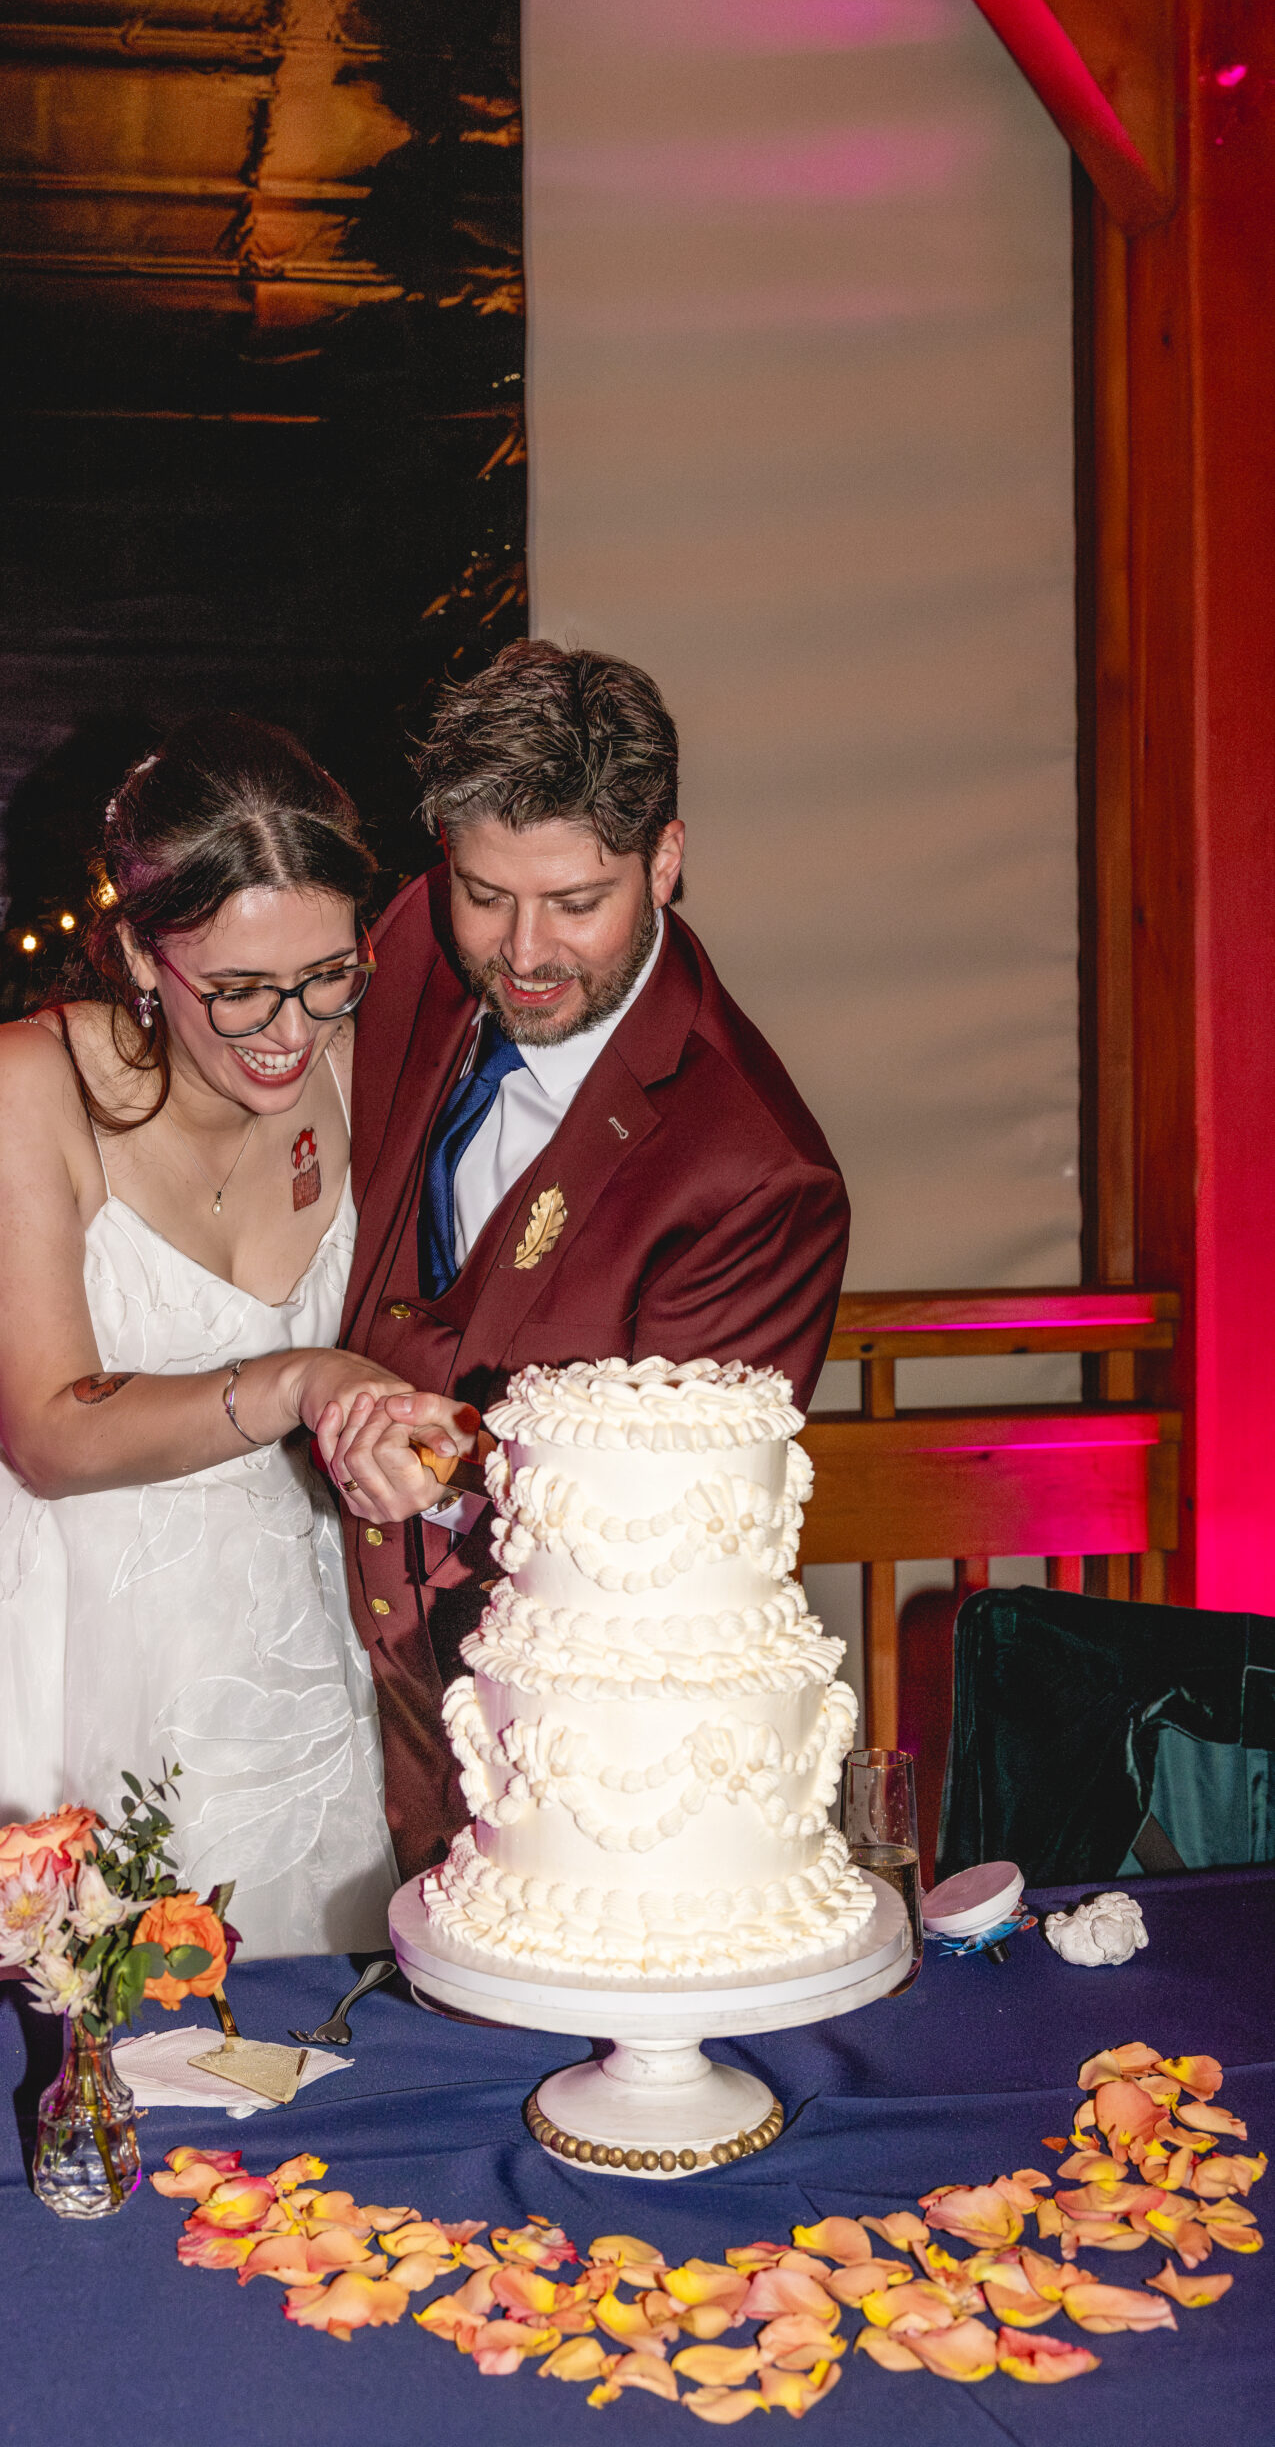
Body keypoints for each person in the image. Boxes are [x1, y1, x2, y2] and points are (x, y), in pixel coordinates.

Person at [0, 717, 468, 1987]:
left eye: (325, 975)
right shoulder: (22, 1084)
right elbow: (51, 1425)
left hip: (287, 1635)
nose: (289, 1030)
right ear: (142, 946)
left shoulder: (355, 1065)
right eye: (237, 988)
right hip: (47, 1629)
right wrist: (302, 1383)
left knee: (293, 2041)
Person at [315, 640, 852, 1882]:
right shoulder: (415, 936)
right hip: (306, 1687)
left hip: (542, 1786)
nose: (523, 950)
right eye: (485, 892)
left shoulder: (758, 1179)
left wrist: (421, 1448)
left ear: (666, 858)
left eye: (578, 900)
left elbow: (657, 1534)